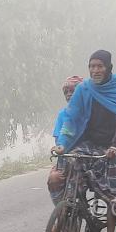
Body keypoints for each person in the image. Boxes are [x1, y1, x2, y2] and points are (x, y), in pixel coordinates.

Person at [52, 50, 116, 232]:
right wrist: (62, 144)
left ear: (108, 67)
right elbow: (71, 118)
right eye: (92, 66)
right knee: (69, 166)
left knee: (114, 191)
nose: (95, 70)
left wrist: (115, 146)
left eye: (100, 66)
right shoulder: (84, 89)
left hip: (113, 145)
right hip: (89, 143)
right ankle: (70, 217)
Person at [48, 76, 83, 205]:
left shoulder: (90, 112)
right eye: (66, 92)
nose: (69, 95)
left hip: (86, 160)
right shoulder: (63, 114)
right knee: (54, 179)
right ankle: (61, 212)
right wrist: (60, 148)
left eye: (72, 91)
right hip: (66, 159)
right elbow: (59, 140)